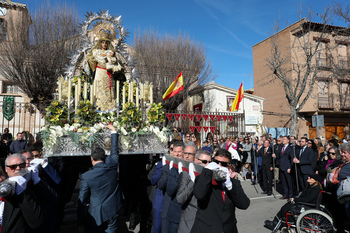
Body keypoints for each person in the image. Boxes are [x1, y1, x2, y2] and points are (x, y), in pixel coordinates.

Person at [190, 149, 250, 233]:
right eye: (216, 162)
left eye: (223, 164)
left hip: (228, 229)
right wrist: (207, 171)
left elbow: (244, 204)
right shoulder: (203, 179)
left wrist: (229, 185)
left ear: (229, 166)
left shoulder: (234, 183)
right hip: (206, 229)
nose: (219, 166)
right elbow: (199, 194)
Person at [78, 125, 121, 232]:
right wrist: (113, 131)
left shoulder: (86, 176)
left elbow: (82, 201)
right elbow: (114, 150)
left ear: (91, 158)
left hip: (96, 215)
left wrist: (80, 222)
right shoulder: (113, 165)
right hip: (113, 211)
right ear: (104, 157)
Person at [2, 153, 44, 233]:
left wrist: (36, 181)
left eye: (21, 165)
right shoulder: (3, 188)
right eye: (13, 167)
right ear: (6, 169)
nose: (18, 169)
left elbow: (36, 222)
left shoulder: (29, 189)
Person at [85, 33, 124, 111]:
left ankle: (110, 106)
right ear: (100, 43)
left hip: (107, 72)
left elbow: (114, 62)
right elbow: (90, 58)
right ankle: (98, 105)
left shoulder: (110, 52)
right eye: (103, 42)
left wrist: (112, 58)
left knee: (109, 88)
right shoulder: (96, 51)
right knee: (99, 88)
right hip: (99, 72)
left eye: (106, 43)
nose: (104, 44)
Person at [176, 150, 211, 233]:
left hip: (206, 223)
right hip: (190, 223)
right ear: (196, 160)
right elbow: (180, 199)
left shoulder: (210, 176)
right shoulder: (186, 174)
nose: (207, 165)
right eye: (205, 162)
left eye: (209, 162)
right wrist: (193, 180)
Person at [158, 140, 184, 233]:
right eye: (175, 151)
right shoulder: (167, 166)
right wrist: (167, 169)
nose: (176, 154)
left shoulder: (187, 168)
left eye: (179, 152)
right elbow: (160, 185)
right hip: (167, 207)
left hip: (181, 212)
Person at [275, 136, 294, 201]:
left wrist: (290, 167)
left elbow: (291, 158)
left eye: (284, 139)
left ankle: (291, 195)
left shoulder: (290, 148)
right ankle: (285, 194)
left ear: (288, 140)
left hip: (287, 167)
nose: (283, 140)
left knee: (289, 182)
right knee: (284, 182)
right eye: (283, 139)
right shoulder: (281, 147)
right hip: (281, 166)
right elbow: (279, 156)